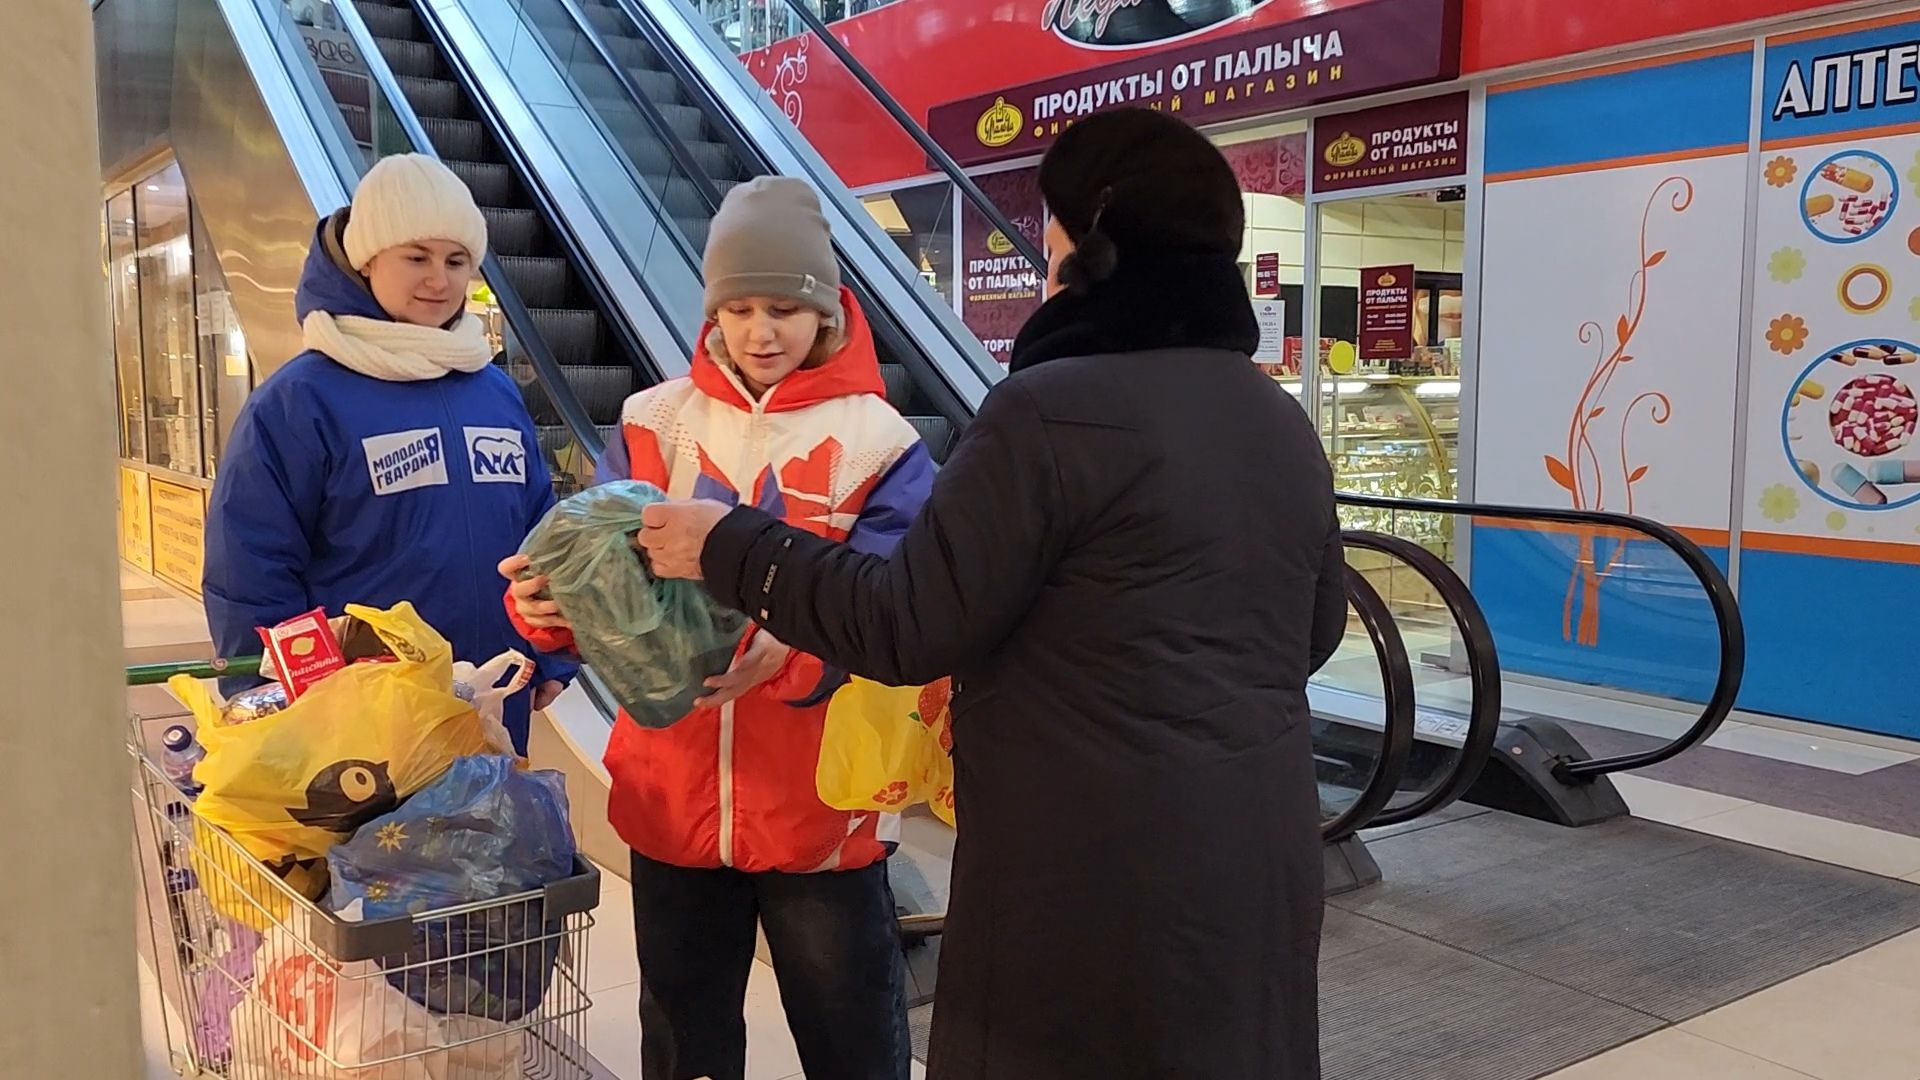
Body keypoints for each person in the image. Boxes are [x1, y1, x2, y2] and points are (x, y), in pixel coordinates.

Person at [637, 109, 1344, 1079]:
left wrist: (733, 544)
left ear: (1094, 250)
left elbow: (902, 624)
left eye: (1052, 240)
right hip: (1257, 857)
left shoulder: (1047, 413)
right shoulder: (1275, 419)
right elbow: (1311, 632)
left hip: (1083, 871)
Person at [501, 177, 931, 1080]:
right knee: (685, 1042)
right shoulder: (656, 423)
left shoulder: (880, 441)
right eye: (738, 308)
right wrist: (547, 611)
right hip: (672, 797)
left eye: (784, 307)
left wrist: (796, 651)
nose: (760, 331)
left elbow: (902, 607)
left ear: (828, 311)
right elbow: (596, 566)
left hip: (822, 808)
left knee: (852, 1039)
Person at [204, 153, 575, 753]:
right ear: (366, 260)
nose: (439, 279)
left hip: (491, 700)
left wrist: (551, 652)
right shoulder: (301, 400)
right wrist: (270, 698)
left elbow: (540, 537)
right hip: (360, 725)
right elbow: (251, 564)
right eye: (416, 257)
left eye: (457, 261)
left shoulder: (492, 389)